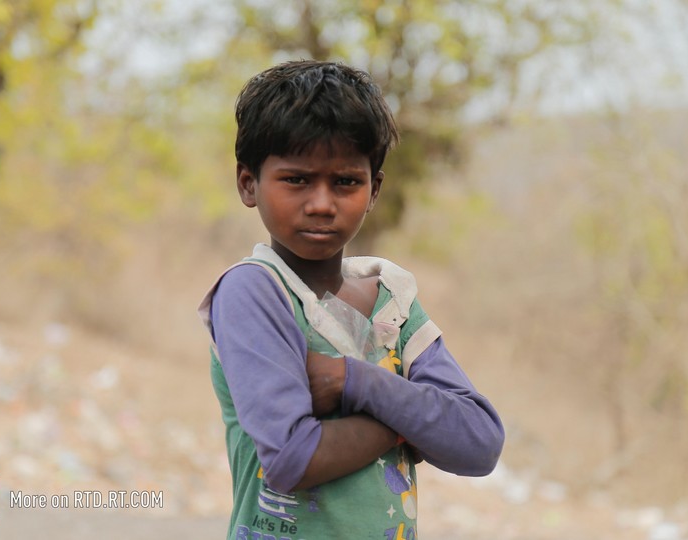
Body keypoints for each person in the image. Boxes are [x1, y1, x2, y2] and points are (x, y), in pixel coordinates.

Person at [198, 60, 504, 540]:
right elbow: (292, 458)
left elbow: (478, 442)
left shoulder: (392, 299)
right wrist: (413, 420)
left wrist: (352, 380)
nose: (322, 203)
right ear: (248, 184)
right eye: (297, 179)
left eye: (345, 182)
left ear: (374, 189)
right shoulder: (254, 292)